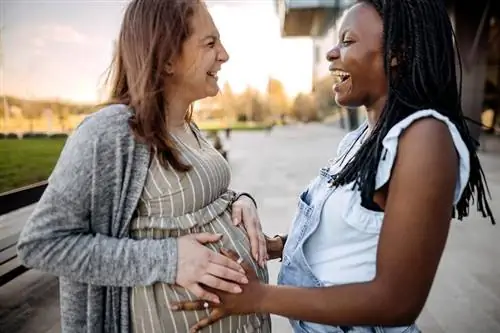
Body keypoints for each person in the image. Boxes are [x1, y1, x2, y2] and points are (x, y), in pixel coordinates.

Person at [170, 0, 495, 332]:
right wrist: (279, 246)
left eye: (348, 41)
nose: (331, 53)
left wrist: (258, 297)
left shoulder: (425, 137)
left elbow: (397, 301)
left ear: (397, 52)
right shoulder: (357, 140)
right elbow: (353, 238)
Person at [16, 0, 271, 332]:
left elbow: (199, 199)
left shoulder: (186, 125)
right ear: (166, 58)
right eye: (210, 43)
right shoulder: (109, 133)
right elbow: (41, 244)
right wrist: (169, 260)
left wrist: (240, 203)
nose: (224, 55)